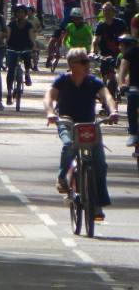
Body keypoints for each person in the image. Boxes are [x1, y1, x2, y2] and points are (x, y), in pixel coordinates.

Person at [43, 47, 118, 221]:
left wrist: (113, 111)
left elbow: (107, 96)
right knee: (69, 145)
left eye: (87, 61)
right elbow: (49, 97)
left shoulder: (94, 82)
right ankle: (62, 177)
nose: (87, 64)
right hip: (67, 122)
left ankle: (97, 204)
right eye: (83, 62)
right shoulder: (62, 81)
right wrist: (50, 113)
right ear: (71, 64)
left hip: (89, 125)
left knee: (99, 164)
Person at [6, 4, 36, 102]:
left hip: (25, 47)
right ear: (15, 14)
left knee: (27, 56)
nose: (20, 14)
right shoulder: (11, 24)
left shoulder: (29, 25)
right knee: (10, 71)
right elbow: (8, 35)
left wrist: (34, 46)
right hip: (12, 48)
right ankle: (9, 92)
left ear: (26, 14)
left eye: (22, 12)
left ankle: (27, 73)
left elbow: (31, 36)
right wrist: (4, 44)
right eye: (18, 12)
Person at [117, 34, 139, 146]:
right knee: (133, 99)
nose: (119, 47)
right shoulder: (130, 53)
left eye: (121, 45)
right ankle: (133, 133)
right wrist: (121, 84)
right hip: (136, 87)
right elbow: (123, 70)